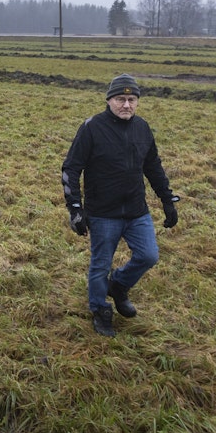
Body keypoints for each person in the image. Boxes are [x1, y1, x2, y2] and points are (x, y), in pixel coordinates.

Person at [61, 73, 180, 337]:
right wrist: (76, 209)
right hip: (103, 213)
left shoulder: (143, 128)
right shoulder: (92, 128)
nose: (126, 105)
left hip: (136, 210)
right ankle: (100, 310)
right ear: (109, 101)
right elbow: (71, 168)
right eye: (120, 99)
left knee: (149, 255)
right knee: (100, 264)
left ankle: (118, 285)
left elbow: (153, 167)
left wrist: (167, 199)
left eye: (131, 99)